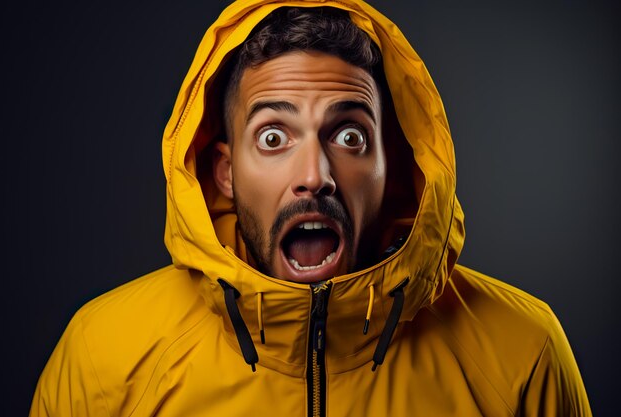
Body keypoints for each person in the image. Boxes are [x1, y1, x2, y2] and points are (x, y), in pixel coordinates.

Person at [30, 1, 592, 416]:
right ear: (225, 173)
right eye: (274, 137)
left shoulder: (522, 352)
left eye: (349, 137)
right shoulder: (105, 356)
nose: (314, 177)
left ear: (391, 167)